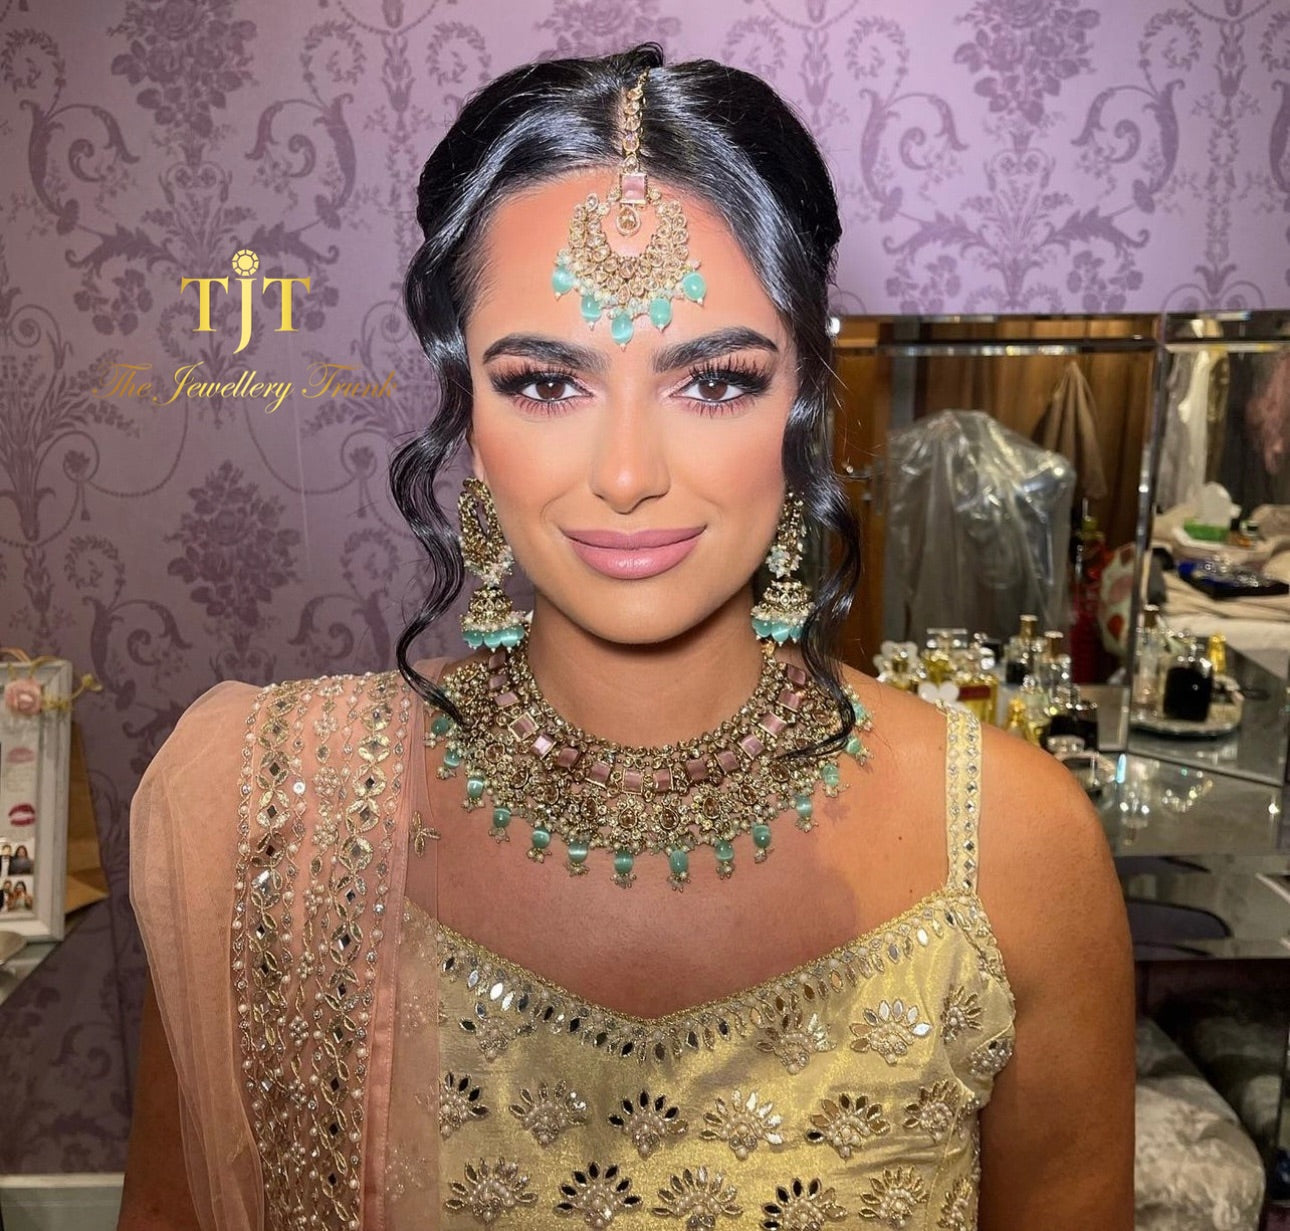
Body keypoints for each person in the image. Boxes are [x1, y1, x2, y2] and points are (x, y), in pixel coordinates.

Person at [120, 43, 1134, 1231]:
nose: (627, 474)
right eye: (547, 384)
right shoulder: (278, 817)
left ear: (803, 397)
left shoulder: (1015, 846)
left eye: (715, 382)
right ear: (467, 412)